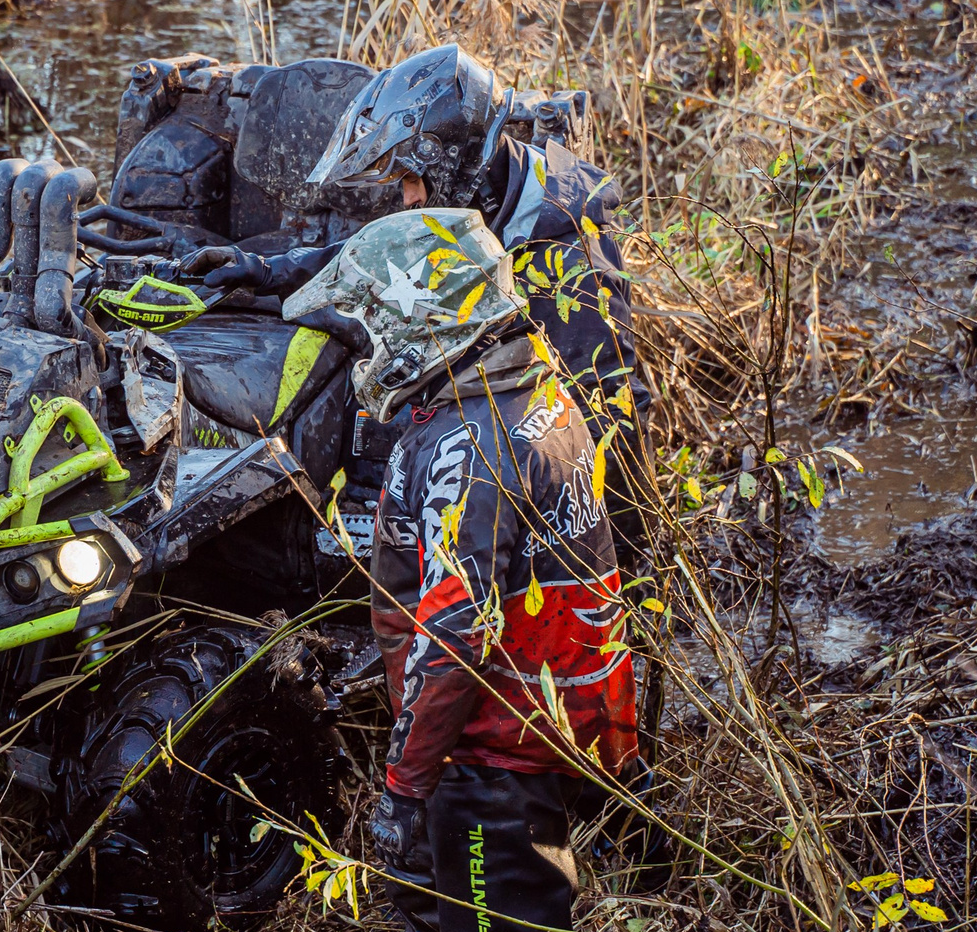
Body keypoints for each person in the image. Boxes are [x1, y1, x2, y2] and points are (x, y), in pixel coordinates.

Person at [282, 208, 637, 932]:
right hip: (547, 712)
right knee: (434, 895)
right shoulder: (524, 393)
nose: (364, 347)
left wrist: (401, 781)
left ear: (422, 319)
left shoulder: (468, 445)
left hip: (500, 739)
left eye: (371, 325)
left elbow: (455, 633)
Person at [184, 44, 653, 588]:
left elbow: (612, 415)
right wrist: (266, 271)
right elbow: (379, 255)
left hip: (544, 518)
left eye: (410, 178)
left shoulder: (566, 256)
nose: (406, 197)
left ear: (453, 159)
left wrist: (616, 574)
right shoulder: (478, 198)